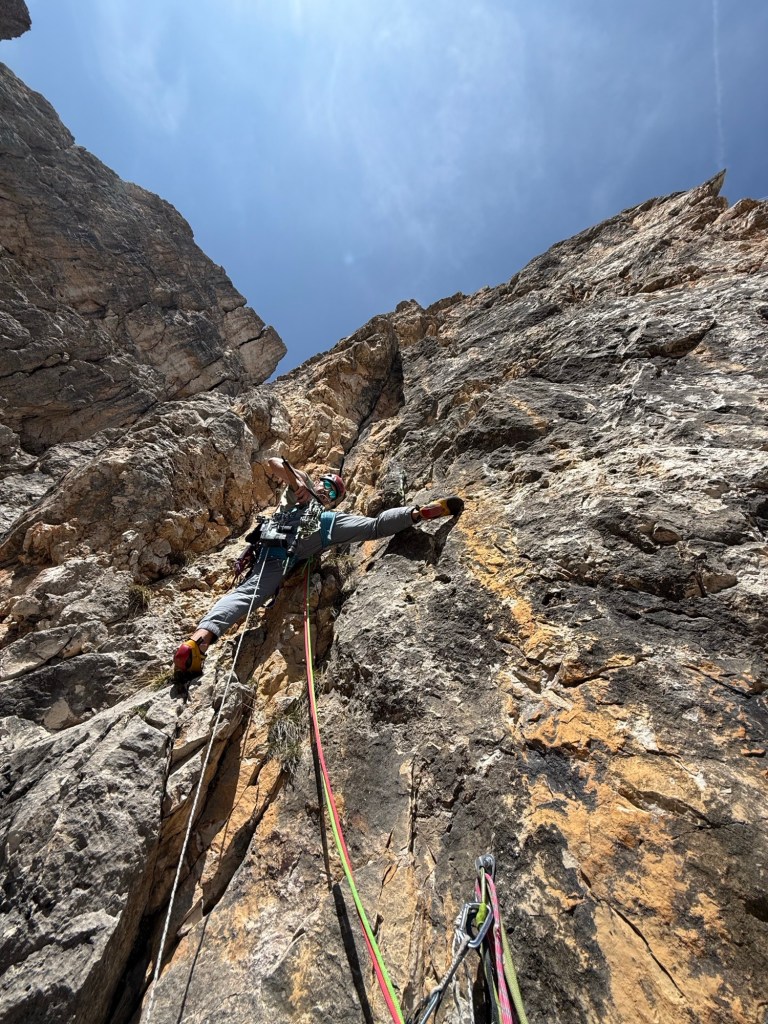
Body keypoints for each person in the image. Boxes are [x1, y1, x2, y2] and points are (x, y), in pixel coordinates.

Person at [173, 456, 464, 681]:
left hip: (275, 544)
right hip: (310, 535)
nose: (326, 490)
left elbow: (273, 462)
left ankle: (198, 642)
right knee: (374, 527)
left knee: (248, 593)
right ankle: (416, 513)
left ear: (331, 497)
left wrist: (297, 482)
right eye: (327, 486)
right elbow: (276, 463)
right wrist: (298, 482)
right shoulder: (313, 496)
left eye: (330, 490)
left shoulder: (306, 494)